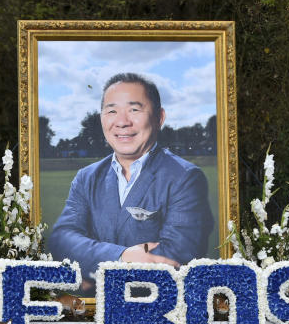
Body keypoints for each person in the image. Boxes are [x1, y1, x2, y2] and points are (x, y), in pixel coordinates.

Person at [48, 73, 213, 289]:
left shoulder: (185, 177)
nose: (122, 122)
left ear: (159, 117)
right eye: (112, 111)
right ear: (102, 118)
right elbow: (62, 239)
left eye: (134, 110)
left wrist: (90, 274)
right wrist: (122, 256)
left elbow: (174, 257)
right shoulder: (86, 177)